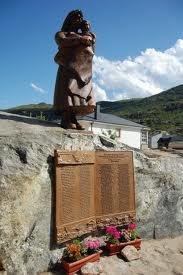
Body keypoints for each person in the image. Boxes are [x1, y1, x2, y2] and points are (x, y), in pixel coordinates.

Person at [53, 10, 96, 130]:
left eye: (80, 19)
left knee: (80, 96)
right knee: (68, 93)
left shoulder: (86, 35)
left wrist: (86, 32)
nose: (78, 21)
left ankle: (74, 119)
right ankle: (66, 119)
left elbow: (92, 49)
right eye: (76, 18)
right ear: (69, 20)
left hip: (83, 71)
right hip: (69, 67)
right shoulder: (62, 34)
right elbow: (61, 42)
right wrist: (79, 40)